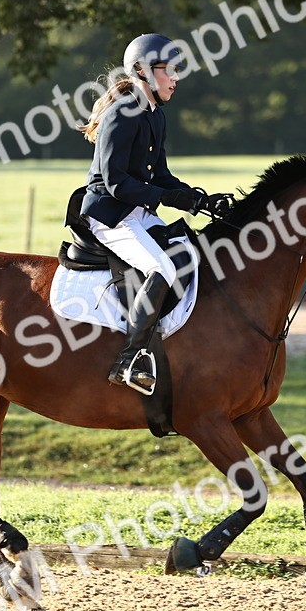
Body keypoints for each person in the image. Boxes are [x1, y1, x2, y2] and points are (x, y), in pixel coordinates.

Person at [77, 33, 232, 393]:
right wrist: (173, 198)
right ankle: (129, 359)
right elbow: (116, 182)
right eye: (171, 70)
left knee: (189, 250)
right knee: (160, 267)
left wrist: (198, 199)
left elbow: (160, 176)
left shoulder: (154, 115)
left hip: (137, 212)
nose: (176, 78)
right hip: (110, 216)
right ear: (143, 71)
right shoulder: (122, 114)